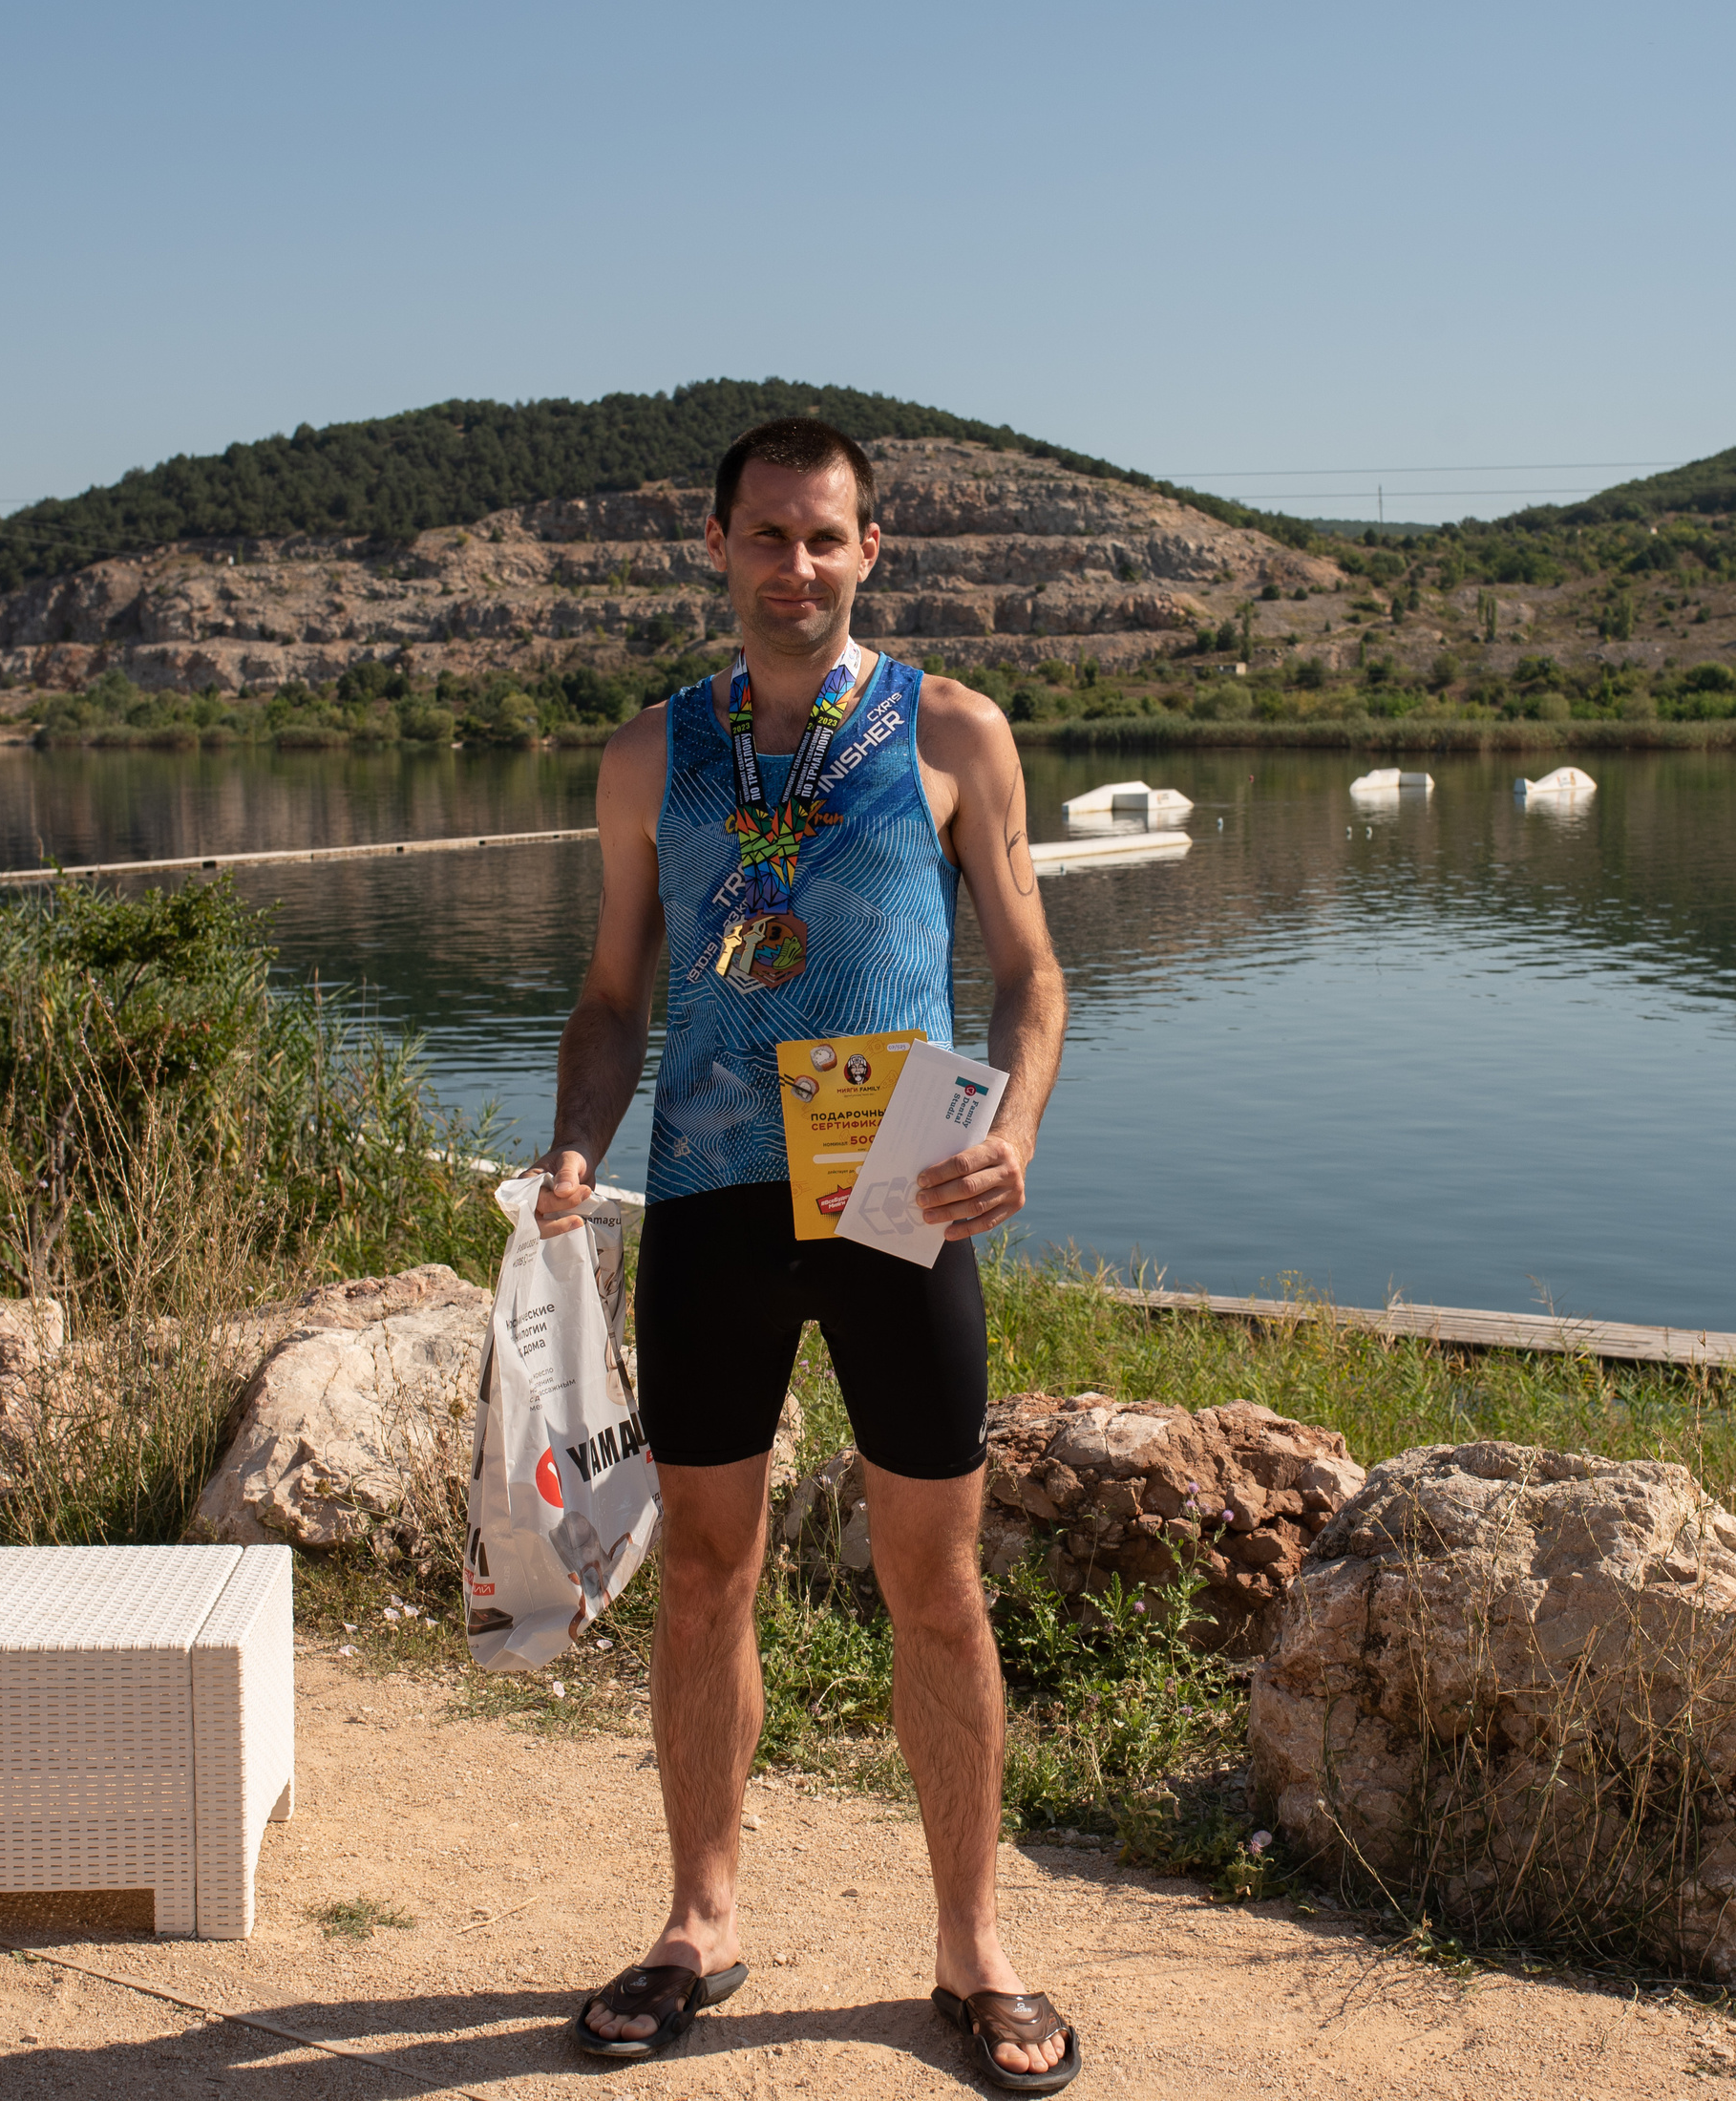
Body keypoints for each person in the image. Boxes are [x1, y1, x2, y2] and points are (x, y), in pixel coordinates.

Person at [533, 416, 1074, 2089]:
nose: (796, 566)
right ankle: (701, 1922)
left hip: (901, 1203)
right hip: (709, 1202)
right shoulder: (649, 758)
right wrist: (574, 1147)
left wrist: (1017, 1138)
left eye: (824, 537)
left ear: (869, 550)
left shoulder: (955, 733)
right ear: (716, 547)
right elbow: (615, 1000)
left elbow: (1035, 980)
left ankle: (973, 1949)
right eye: (765, 537)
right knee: (704, 1577)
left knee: (937, 1587)